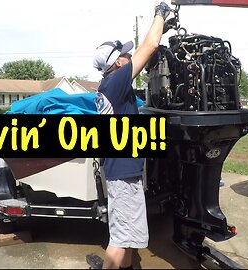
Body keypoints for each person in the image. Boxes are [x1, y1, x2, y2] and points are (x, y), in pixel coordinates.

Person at [86, 1, 173, 269]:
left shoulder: (108, 86)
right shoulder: (116, 81)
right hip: (123, 174)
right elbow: (150, 47)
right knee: (120, 238)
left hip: (122, 171)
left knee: (128, 235)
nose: (128, 57)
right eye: (124, 55)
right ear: (117, 62)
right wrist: (160, 14)